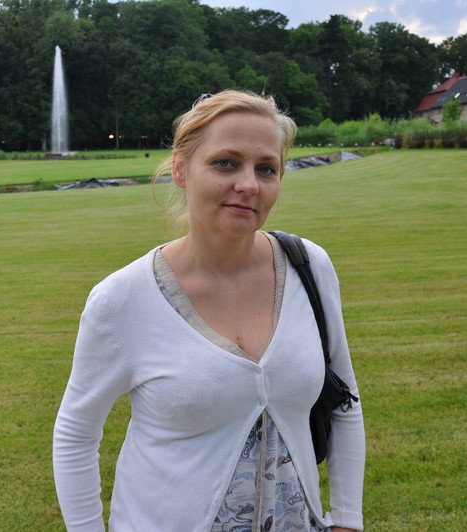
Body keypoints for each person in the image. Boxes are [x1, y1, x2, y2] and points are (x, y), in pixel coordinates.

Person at [53, 90, 365, 532]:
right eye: (225, 163)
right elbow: (76, 434)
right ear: (180, 169)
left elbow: (345, 405)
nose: (249, 185)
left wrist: (348, 519)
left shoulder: (309, 266)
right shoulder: (121, 300)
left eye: (266, 168)